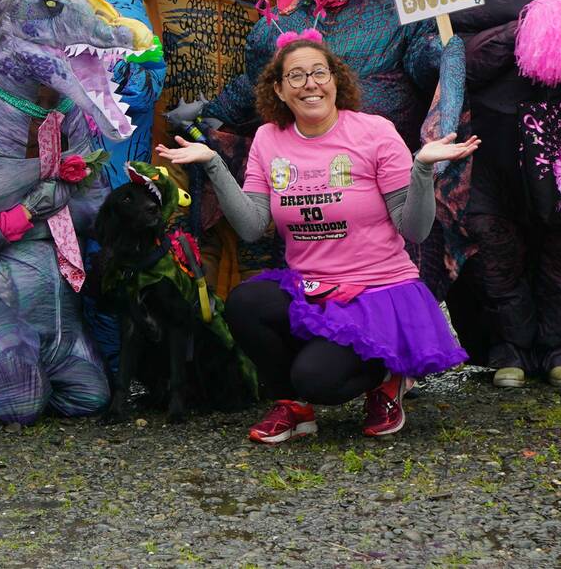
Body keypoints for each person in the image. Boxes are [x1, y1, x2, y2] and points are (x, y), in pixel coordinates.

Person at [158, 35, 475, 444]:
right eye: (296, 76)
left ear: (336, 81)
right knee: (246, 303)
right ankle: (293, 408)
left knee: (317, 379)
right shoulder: (270, 140)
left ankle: (387, 376)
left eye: (318, 73)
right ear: (278, 89)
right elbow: (253, 226)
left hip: (376, 292)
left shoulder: (375, 132)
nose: (310, 84)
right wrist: (215, 164)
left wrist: (422, 170)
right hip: (313, 288)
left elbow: (413, 229)